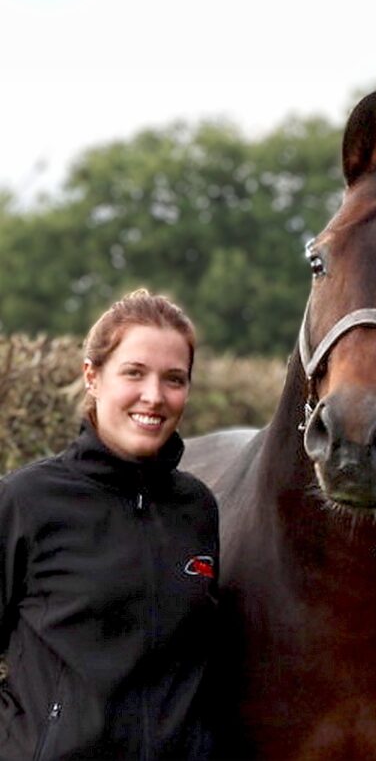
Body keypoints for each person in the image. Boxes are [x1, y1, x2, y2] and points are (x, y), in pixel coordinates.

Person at [0, 289, 219, 760]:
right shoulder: (27, 501)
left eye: (174, 379)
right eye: (134, 373)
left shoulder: (197, 508)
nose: (154, 397)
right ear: (92, 377)